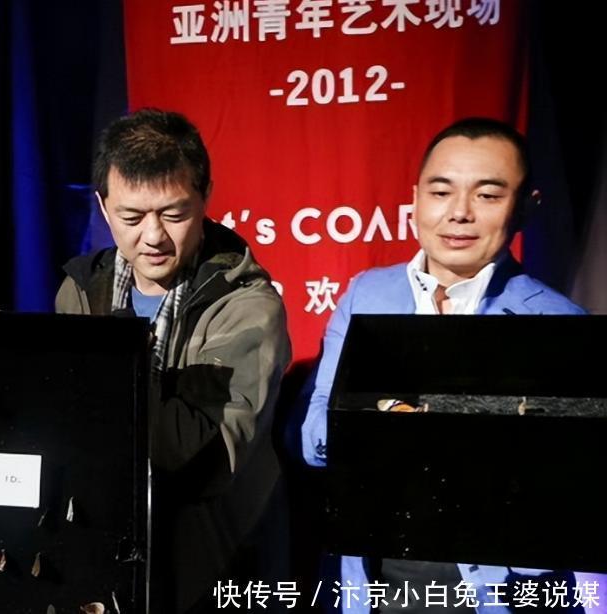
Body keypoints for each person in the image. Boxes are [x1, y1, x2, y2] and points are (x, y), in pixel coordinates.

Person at [300, 117, 589, 612]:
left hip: (497, 591)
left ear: (526, 206)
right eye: (441, 192)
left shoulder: (556, 321)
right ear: (415, 199)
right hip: (375, 580)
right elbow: (313, 437)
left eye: (488, 195)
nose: (459, 213)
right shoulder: (367, 295)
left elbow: (567, 490)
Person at [56, 108, 292, 612]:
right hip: (104, 556)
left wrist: (107, 361)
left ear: (205, 197)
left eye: (174, 214)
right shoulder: (80, 290)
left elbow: (198, 459)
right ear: (102, 207)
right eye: (131, 217)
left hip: (212, 570)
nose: (153, 237)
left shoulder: (246, 306)